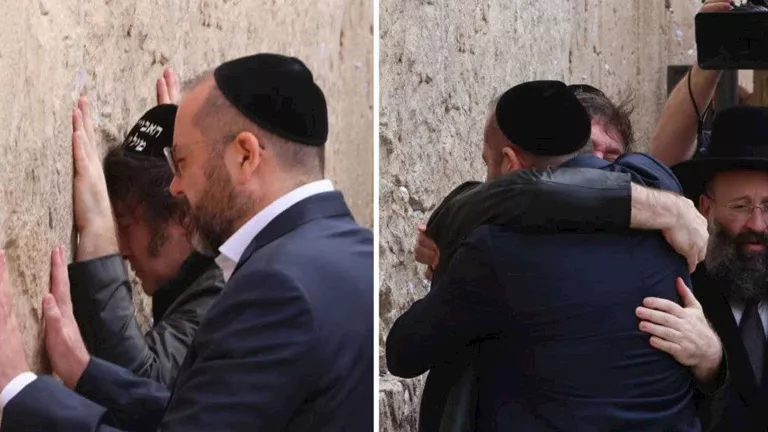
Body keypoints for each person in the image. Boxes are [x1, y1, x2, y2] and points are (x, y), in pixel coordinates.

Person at [0, 53, 373, 431]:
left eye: (181, 162)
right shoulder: (359, 254)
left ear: (245, 156)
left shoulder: (276, 286)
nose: (176, 187)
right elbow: (211, 411)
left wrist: (19, 392)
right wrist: (86, 373)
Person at [387, 81, 722, 431]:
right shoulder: (665, 212)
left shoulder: (496, 251)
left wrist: (452, 250)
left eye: (488, 162)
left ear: (509, 162)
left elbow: (404, 353)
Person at [68, 66, 225, 387]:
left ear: (184, 215)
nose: (122, 250)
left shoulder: (225, 295)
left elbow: (142, 388)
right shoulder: (208, 275)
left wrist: (97, 230)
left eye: (125, 224)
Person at [672, 106, 768, 431]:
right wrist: (712, 368)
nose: (757, 224)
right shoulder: (679, 291)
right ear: (705, 208)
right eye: (740, 206)